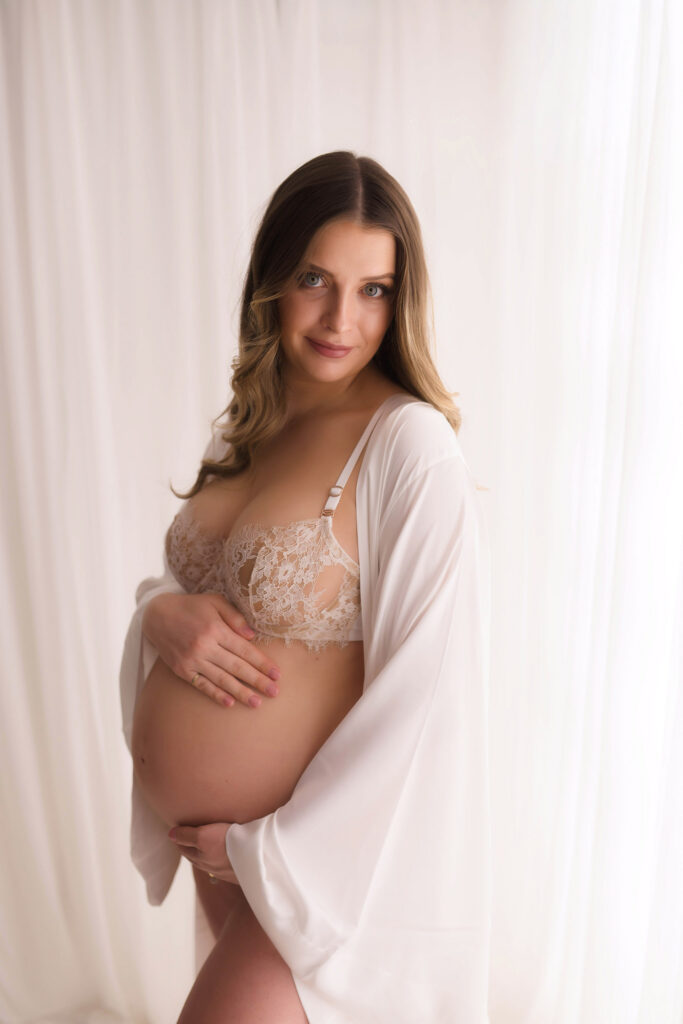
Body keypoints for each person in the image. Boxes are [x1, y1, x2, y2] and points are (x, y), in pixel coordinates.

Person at [119, 150, 492, 1023]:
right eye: (316, 278)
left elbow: (427, 695)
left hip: (319, 868)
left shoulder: (408, 446)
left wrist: (269, 853)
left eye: (373, 288)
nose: (340, 318)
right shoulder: (252, 426)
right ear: (271, 280)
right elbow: (187, 591)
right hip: (224, 851)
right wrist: (157, 613)